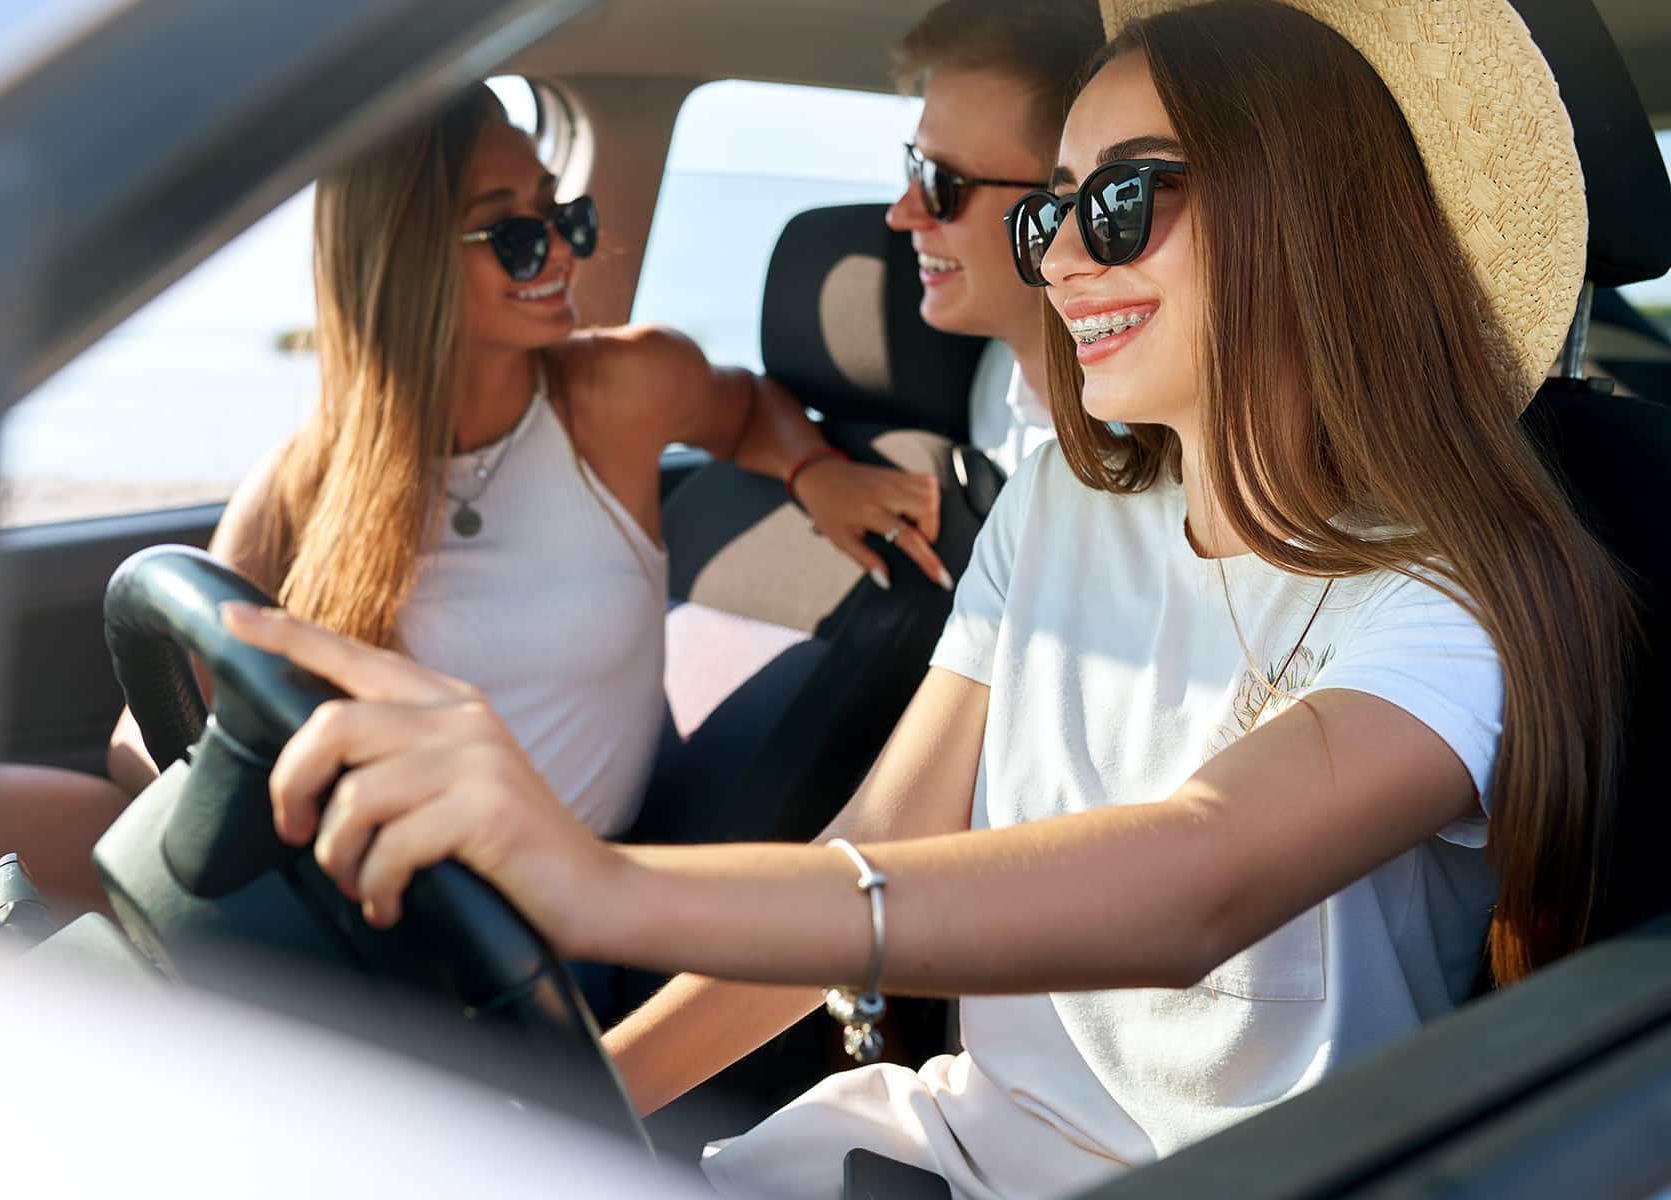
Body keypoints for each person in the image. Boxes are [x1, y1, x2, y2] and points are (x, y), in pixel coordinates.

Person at [226, 0, 1633, 1195]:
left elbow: (1195, 880)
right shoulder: (1065, 505)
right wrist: (579, 1103)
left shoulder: (1444, 603)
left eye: (1123, 201)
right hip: (944, 1146)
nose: (1064, 255)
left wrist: (598, 890)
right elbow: (881, 838)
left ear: (1309, 218)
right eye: (1056, 210)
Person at [0, 83, 949, 912]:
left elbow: (742, 410)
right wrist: (240, 833)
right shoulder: (310, 474)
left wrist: (815, 470)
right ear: (407, 262)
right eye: (518, 235)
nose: (564, 255)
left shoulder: (618, 389)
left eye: (562, 216)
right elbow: (140, 735)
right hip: (339, 886)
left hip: (516, 931)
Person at [885, 0, 1104, 476]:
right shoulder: (997, 379)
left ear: (1068, 203)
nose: (901, 215)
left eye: (942, 183)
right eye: (915, 167)